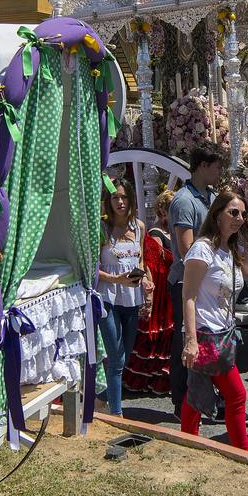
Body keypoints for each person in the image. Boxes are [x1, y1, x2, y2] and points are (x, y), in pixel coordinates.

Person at [179, 190, 248, 449]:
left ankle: (187, 445)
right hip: (205, 333)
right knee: (235, 395)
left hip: (224, 334)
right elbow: (188, 296)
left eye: (243, 214)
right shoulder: (203, 248)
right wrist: (190, 341)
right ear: (217, 214)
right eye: (233, 212)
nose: (239, 218)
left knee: (196, 394)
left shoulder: (231, 250)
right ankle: (243, 453)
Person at [167, 143, 224, 419]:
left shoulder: (210, 197)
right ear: (202, 166)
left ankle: (208, 399)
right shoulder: (184, 201)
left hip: (206, 279)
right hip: (185, 281)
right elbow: (186, 246)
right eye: (216, 166)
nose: (219, 172)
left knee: (209, 341)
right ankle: (181, 402)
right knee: (185, 342)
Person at [96, 178, 148, 415]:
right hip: (108, 297)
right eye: (115, 197)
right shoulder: (101, 228)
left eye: (124, 197)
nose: (120, 201)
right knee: (116, 359)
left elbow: (141, 260)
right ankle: (117, 415)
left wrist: (147, 280)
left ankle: (100, 397)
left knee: (124, 357)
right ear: (108, 201)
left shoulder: (139, 227)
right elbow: (91, 268)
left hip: (132, 298)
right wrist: (117, 279)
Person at [127, 190, 176, 395]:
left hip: (170, 287)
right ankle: (147, 379)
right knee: (155, 334)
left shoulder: (173, 232)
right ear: (163, 211)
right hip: (161, 288)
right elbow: (152, 265)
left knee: (168, 334)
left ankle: (161, 378)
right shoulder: (157, 234)